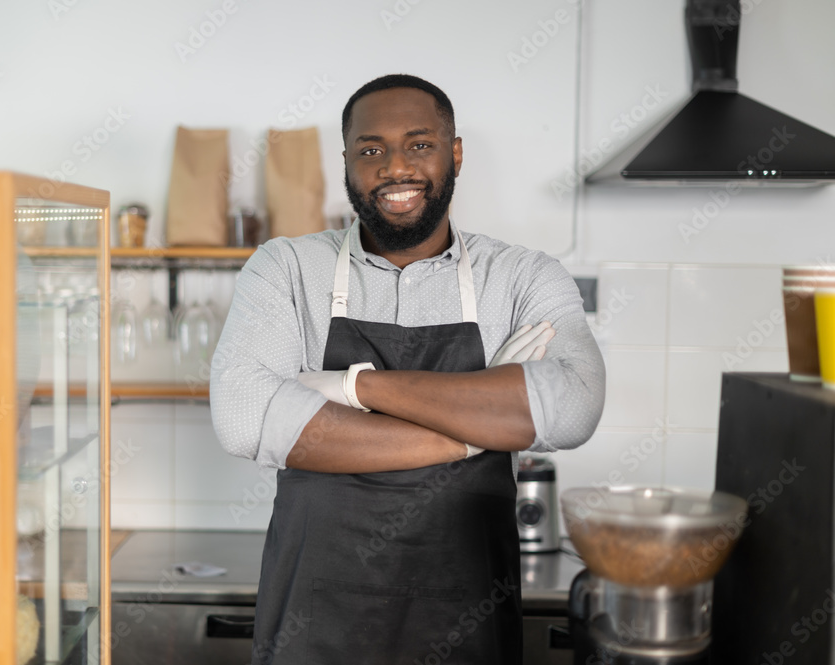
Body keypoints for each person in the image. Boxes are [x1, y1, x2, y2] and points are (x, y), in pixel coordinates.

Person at [210, 73, 605, 664]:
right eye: (371, 150)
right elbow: (245, 420)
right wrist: (474, 433)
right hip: (316, 620)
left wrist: (352, 387)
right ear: (347, 163)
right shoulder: (287, 268)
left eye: (419, 144)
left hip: (465, 611)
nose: (395, 167)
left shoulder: (523, 277)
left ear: (455, 153)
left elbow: (572, 409)